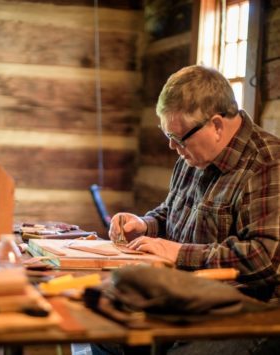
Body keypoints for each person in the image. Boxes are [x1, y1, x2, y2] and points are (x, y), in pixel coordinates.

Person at [91, 65, 280, 355]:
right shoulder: (192, 155)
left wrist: (178, 253)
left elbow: (263, 259)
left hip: (252, 310)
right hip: (188, 296)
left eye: (179, 138)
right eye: (168, 136)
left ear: (216, 125)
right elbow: (171, 213)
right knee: (106, 330)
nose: (172, 147)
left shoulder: (267, 163)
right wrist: (144, 224)